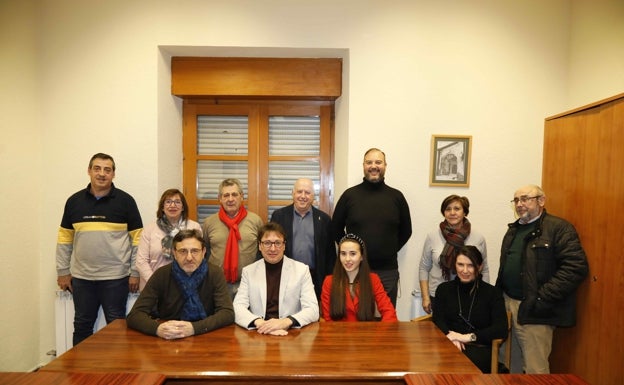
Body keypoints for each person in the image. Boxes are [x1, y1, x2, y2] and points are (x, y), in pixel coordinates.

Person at [495, 184, 589, 374]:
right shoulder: (513, 230)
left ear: (541, 201)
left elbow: (575, 267)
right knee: (509, 364)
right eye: (516, 200)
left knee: (535, 370)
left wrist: (540, 298)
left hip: (537, 311)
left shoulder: (559, 228)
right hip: (509, 305)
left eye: (525, 199)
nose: (520, 204)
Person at [56, 153, 143, 346]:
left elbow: (138, 239)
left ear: (113, 174)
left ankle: (118, 373)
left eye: (107, 169)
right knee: (82, 326)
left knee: (117, 326)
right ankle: (81, 374)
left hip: (116, 278)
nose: (102, 174)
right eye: (97, 168)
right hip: (82, 278)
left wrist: (135, 272)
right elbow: (64, 238)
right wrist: (63, 271)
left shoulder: (126, 201)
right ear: (89, 171)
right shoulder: (74, 201)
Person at [332, 148, 412, 306]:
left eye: (378, 162)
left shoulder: (397, 197)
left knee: (385, 320)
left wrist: (388, 250)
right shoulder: (349, 196)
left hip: (387, 271)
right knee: (355, 319)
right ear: (363, 165)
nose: (373, 166)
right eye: (369, 162)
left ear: (385, 165)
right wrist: (351, 253)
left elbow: (406, 231)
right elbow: (335, 229)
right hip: (355, 270)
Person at [127, 229, 234, 339]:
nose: (189, 257)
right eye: (183, 251)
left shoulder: (215, 273)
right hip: (168, 336)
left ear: (203, 252)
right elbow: (135, 315)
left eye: (195, 251)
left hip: (206, 335)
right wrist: (157, 329)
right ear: (174, 253)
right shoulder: (161, 274)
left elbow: (227, 313)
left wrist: (194, 328)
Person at [233, 222, 319, 335]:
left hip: (292, 334)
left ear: (284, 246)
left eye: (277, 243)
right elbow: (238, 307)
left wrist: (286, 322)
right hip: (259, 332)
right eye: (267, 243)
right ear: (260, 245)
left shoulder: (301, 270)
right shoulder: (249, 272)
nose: (273, 248)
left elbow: (313, 309)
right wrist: (259, 323)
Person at [433, 245, 507, 373]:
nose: (465, 270)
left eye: (470, 265)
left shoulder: (492, 293)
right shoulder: (443, 289)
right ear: (455, 265)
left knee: (461, 364)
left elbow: (501, 328)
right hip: (449, 345)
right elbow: (438, 320)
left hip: (479, 347)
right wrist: (450, 336)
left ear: (479, 267)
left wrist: (467, 337)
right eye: (460, 264)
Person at [419, 195, 489, 314]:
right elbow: (424, 268)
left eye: (457, 209)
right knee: (439, 331)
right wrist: (425, 297)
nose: (452, 212)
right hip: (438, 295)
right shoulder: (432, 236)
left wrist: (484, 297)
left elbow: (484, 270)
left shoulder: (478, 238)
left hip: (469, 296)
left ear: (465, 212)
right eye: (448, 209)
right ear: (443, 213)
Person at [270, 178, 336, 300]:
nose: (303, 196)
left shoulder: (324, 219)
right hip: (285, 276)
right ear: (293, 193)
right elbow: (271, 247)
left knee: (312, 315)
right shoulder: (279, 216)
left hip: (315, 278)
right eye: (299, 192)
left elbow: (330, 255)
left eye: (307, 192)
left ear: (313, 196)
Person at [202, 178, 264, 298]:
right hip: (217, 284)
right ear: (220, 198)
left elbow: (262, 251)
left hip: (249, 284)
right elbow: (205, 251)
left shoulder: (255, 221)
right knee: (221, 316)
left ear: (241, 197)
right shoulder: (209, 223)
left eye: (234, 194)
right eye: (226, 195)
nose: (230, 199)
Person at [136, 189, 202, 291]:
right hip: (154, 286)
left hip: (185, 285)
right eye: (168, 202)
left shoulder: (194, 227)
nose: (172, 205)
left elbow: (198, 257)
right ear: (162, 207)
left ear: (183, 207)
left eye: (177, 202)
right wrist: (156, 282)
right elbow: (141, 261)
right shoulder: (150, 229)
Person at [321, 233, 397, 322]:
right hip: (338, 334)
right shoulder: (329, 281)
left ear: (361, 256)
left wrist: (380, 335)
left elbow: (389, 312)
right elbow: (328, 320)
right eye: (343, 254)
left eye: (353, 254)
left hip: (366, 334)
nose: (347, 259)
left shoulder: (373, 279)